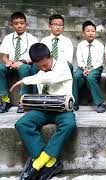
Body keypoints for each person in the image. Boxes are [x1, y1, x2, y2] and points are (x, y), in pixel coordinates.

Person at [11, 43, 76, 180]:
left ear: (50, 56)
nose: (43, 68)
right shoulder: (41, 71)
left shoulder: (62, 66)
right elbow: (42, 76)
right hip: (43, 108)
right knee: (22, 123)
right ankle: (50, 162)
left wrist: (24, 80)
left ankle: (39, 162)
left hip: (62, 109)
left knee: (69, 124)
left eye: (45, 65)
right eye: (39, 66)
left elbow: (50, 78)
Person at [0, 11, 38, 113]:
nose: (19, 26)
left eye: (22, 23)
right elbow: (4, 56)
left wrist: (23, 61)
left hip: (24, 65)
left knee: (25, 68)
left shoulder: (32, 39)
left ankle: (23, 101)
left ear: (26, 24)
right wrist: (7, 62)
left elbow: (34, 57)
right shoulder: (7, 38)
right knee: (0, 67)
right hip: (10, 65)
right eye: (16, 24)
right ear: (11, 25)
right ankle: (4, 99)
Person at [73, 21, 106, 112]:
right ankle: (74, 102)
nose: (90, 33)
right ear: (84, 33)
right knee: (75, 76)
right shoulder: (80, 45)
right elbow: (80, 60)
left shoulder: (100, 45)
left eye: (93, 31)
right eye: (88, 31)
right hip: (83, 68)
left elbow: (99, 61)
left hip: (96, 68)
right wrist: (84, 68)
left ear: (95, 32)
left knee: (90, 78)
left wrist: (90, 70)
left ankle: (100, 103)